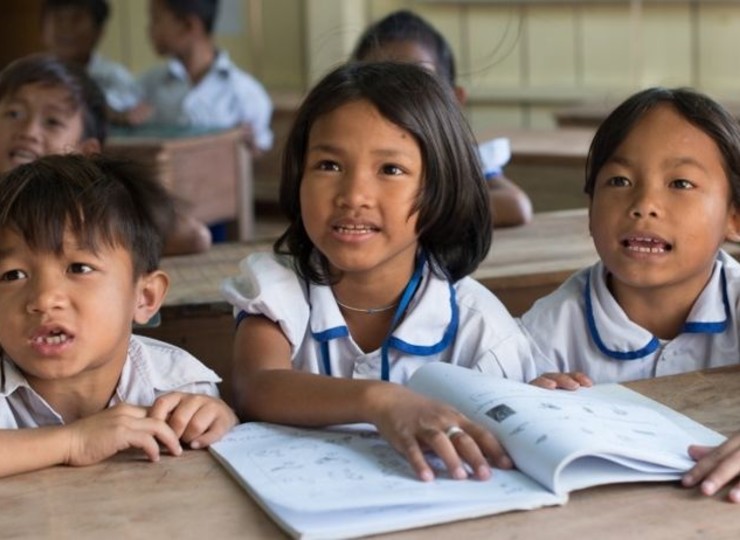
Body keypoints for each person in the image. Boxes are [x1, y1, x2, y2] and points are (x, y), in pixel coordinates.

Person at [221, 62, 545, 483]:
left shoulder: (480, 327)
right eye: (329, 165)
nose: (353, 195)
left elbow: (510, 447)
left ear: (438, 191)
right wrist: (382, 400)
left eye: (390, 170)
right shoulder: (278, 287)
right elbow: (256, 386)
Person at [517, 86, 740, 502]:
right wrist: (524, 402)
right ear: (589, 210)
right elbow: (494, 420)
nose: (644, 204)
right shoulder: (543, 333)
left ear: (734, 218)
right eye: (619, 180)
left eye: (680, 182)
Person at [0, 153, 237, 478]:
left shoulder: (176, 385)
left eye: (79, 268)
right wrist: (72, 442)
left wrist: (221, 424)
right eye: (12, 275)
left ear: (145, 296)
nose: (43, 299)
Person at [0, 53, 212, 255]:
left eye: (52, 122)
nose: (28, 132)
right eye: (13, 113)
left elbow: (194, 236)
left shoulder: (89, 210)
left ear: (86, 152)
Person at [351, 9, 532, 228]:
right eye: (377, 83)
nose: (396, 100)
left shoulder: (455, 160)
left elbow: (515, 206)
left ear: (454, 101)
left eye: (416, 84)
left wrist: (419, 209)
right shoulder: (350, 157)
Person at [138, 0, 273, 155]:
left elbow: (258, 155)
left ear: (188, 25)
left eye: (156, 19)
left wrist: (250, 147)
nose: (149, 29)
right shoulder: (148, 85)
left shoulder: (245, 93)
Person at [40, 0, 148, 124]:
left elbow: (125, 112)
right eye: (58, 19)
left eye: (76, 19)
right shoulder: (30, 76)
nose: (66, 28)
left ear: (99, 30)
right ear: (42, 29)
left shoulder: (116, 77)